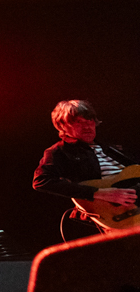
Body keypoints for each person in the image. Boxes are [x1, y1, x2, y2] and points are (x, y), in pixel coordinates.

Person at [32, 100, 137, 236]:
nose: (87, 126)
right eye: (78, 122)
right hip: (115, 214)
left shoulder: (113, 148)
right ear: (62, 126)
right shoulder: (59, 151)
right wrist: (99, 193)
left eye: (90, 121)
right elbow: (41, 181)